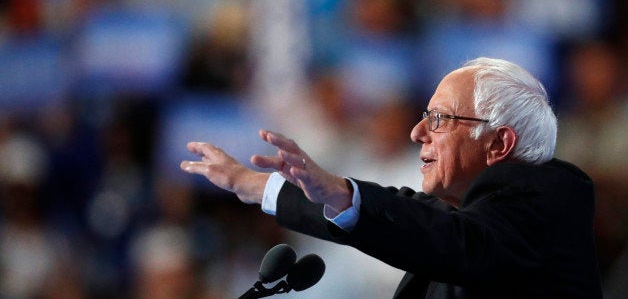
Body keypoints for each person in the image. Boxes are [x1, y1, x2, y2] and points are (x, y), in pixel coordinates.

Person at [180, 57, 603, 298]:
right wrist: (249, 184)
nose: (418, 132)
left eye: (438, 119)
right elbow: (405, 215)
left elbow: (446, 238)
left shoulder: (554, 197)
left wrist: (342, 192)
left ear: (498, 144)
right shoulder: (461, 218)